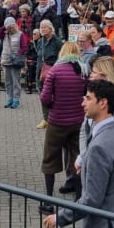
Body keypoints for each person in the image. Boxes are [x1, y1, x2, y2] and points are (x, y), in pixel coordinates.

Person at [43, 79, 114, 228]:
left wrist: (60, 217)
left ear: (103, 103)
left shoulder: (99, 146)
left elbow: (92, 199)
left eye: (88, 98)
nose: (82, 102)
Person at [40, 41, 87, 204]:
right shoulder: (84, 71)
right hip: (78, 121)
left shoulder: (55, 71)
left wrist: (53, 106)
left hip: (57, 120)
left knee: (50, 158)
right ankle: (79, 196)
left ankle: (48, 198)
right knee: (77, 157)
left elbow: (45, 98)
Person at [0, 16, 28, 109]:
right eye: (9, 26)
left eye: (12, 25)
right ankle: (9, 99)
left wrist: (17, 55)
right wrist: (5, 26)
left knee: (16, 82)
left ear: (15, 25)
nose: (11, 28)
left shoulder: (20, 34)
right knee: (8, 82)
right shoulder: (4, 34)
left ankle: (16, 100)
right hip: (6, 61)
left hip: (15, 62)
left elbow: (24, 47)